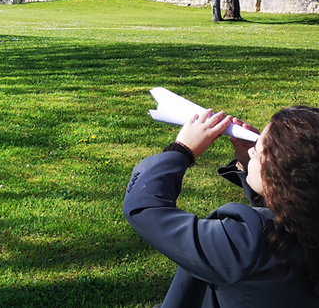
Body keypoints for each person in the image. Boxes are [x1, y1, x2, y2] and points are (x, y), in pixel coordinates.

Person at [124, 107, 319, 308]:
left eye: (258, 149)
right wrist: (253, 165)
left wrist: (181, 149)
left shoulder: (245, 243)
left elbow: (145, 209)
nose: (251, 150)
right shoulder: (308, 222)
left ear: (280, 174)